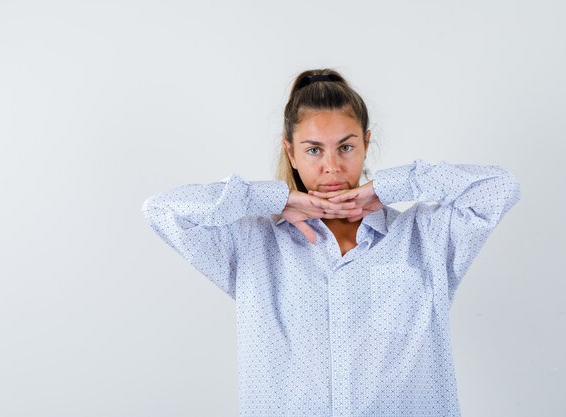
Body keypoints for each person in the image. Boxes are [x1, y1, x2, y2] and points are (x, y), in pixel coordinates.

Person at [140, 68, 521, 417]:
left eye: (346, 146)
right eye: (313, 150)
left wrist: (391, 186)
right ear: (290, 151)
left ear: (366, 144)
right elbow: (164, 211)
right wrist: (277, 199)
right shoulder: (254, 243)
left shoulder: (425, 237)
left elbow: (499, 188)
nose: (332, 167)